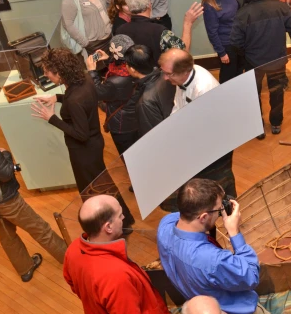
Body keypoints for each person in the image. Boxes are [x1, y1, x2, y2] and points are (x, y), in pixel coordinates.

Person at [156, 179, 291, 314]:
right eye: (219, 210)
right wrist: (234, 231)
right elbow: (251, 275)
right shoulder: (212, 260)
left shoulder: (165, 226)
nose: (222, 212)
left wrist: (214, 213)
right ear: (203, 216)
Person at [64, 195, 170, 314]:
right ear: (108, 226)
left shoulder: (74, 249)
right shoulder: (115, 275)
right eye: (120, 215)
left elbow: (73, 283)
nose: (124, 218)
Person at [30, 49, 134, 224]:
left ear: (60, 72)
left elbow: (80, 134)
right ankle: (123, 220)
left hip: (84, 152)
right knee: (103, 184)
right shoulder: (84, 80)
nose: (45, 74)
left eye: (47, 71)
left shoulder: (74, 100)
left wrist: (51, 118)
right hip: (94, 145)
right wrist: (57, 97)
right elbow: (82, 102)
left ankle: (105, 224)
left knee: (93, 190)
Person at [0, 135, 67, 282]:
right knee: (40, 229)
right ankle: (72, 262)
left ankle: (25, 269)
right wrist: (5, 154)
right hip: (6, 200)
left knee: (6, 235)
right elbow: (5, 173)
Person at [158, 48, 236, 195]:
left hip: (215, 145)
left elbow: (203, 131)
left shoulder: (204, 89)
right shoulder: (184, 77)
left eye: (168, 74)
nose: (165, 78)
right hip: (199, 141)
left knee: (221, 183)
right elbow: (178, 106)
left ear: (185, 71)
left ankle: (230, 210)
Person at [231, 0, 291, 137]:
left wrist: (246, 54)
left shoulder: (242, 14)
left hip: (254, 62)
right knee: (277, 92)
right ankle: (276, 124)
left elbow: (235, 42)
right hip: (277, 60)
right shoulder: (281, 7)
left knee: (254, 94)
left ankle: (258, 127)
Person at [85, 35, 139, 155]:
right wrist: (108, 58)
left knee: (127, 154)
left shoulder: (115, 82)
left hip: (121, 124)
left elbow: (98, 93)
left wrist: (92, 71)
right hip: (134, 116)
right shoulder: (135, 66)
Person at [116, 0, 200, 64]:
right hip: (157, 78)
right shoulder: (160, 31)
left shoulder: (120, 30)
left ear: (129, 8)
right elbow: (183, 54)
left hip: (133, 78)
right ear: (149, 4)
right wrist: (187, 23)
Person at [61, 0, 114, 66]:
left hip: (109, 38)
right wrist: (86, 43)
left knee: (113, 68)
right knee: (99, 71)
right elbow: (68, 24)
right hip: (93, 44)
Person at [124, 45, 175, 138]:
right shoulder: (165, 74)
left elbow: (152, 135)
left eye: (126, 64)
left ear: (132, 69)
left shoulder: (145, 102)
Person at [202, 0, 242, 83]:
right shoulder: (209, 5)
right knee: (228, 75)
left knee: (239, 72)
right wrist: (222, 53)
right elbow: (212, 33)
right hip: (227, 45)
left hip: (238, 40)